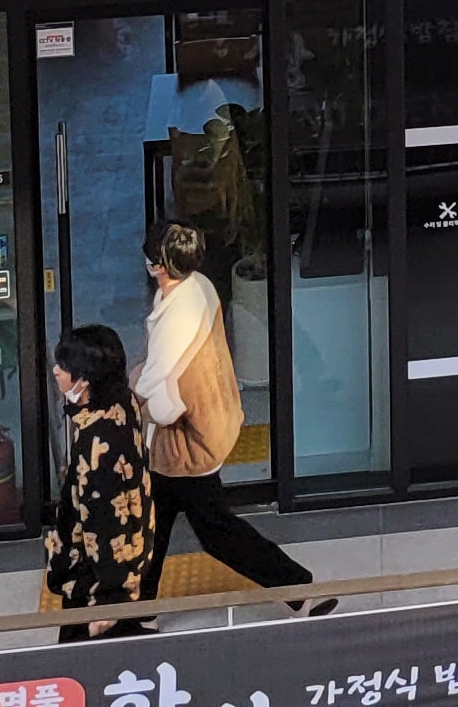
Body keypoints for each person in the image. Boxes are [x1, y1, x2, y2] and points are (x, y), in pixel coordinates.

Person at [132, 224, 325, 611]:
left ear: (157, 266)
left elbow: (158, 388)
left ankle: (297, 587)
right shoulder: (199, 286)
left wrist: (136, 393)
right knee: (154, 526)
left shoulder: (176, 317)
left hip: (186, 443)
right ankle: (137, 612)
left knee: (210, 530)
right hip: (205, 428)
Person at [44, 325, 153, 642]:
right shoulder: (121, 402)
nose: (56, 371)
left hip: (92, 580)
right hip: (121, 561)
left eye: (65, 367)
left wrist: (108, 601)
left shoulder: (99, 444)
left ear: (85, 380)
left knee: (81, 657)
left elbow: (105, 523)